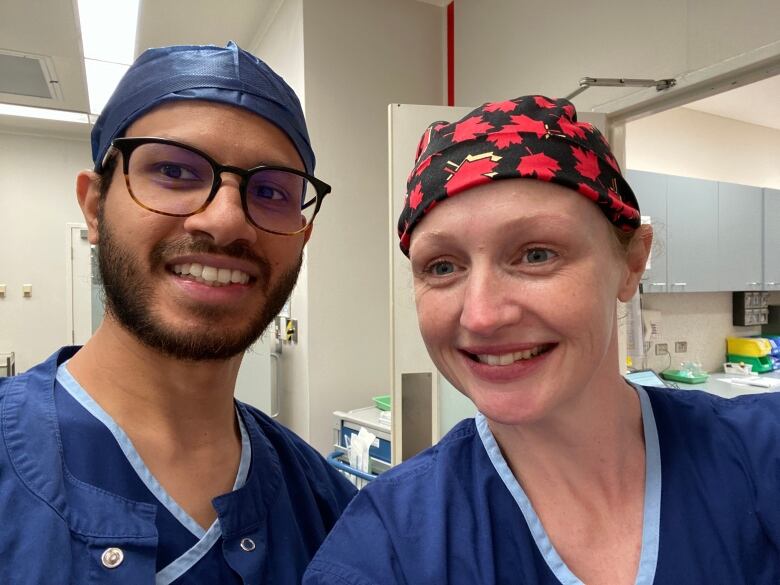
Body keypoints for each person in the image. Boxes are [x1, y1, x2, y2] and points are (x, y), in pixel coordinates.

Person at [304, 96, 780, 584]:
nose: (483, 315)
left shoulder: (761, 454)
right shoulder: (388, 546)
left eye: (536, 254)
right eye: (443, 267)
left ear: (632, 262)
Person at [0, 42, 356, 584]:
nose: (226, 220)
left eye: (270, 190)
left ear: (303, 235)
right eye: (174, 170)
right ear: (95, 207)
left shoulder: (329, 508)